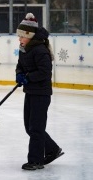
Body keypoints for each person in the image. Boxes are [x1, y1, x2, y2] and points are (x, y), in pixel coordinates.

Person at [15, 13, 64, 170]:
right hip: (30, 92)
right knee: (30, 127)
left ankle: (35, 160)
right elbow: (20, 66)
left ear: (30, 36)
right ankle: (52, 149)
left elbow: (45, 72)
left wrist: (28, 77)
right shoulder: (24, 49)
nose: (19, 39)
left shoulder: (40, 50)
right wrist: (19, 75)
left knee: (35, 128)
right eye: (19, 36)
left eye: (22, 36)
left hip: (41, 94)